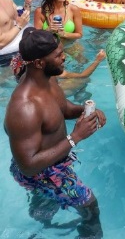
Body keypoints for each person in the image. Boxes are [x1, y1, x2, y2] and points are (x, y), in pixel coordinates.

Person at [4, 27, 106, 237]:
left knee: (46, 201)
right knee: (89, 204)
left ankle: (41, 215)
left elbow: (63, 108)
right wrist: (75, 137)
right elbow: (28, 167)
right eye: (58, 55)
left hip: (50, 158)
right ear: (40, 63)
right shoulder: (25, 107)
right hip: (39, 172)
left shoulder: (49, 79)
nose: (64, 57)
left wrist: (85, 111)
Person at [0, 0, 34, 66]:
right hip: (4, 58)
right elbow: (0, 43)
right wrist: (19, 26)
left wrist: (27, 3)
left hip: (17, 47)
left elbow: (22, 18)